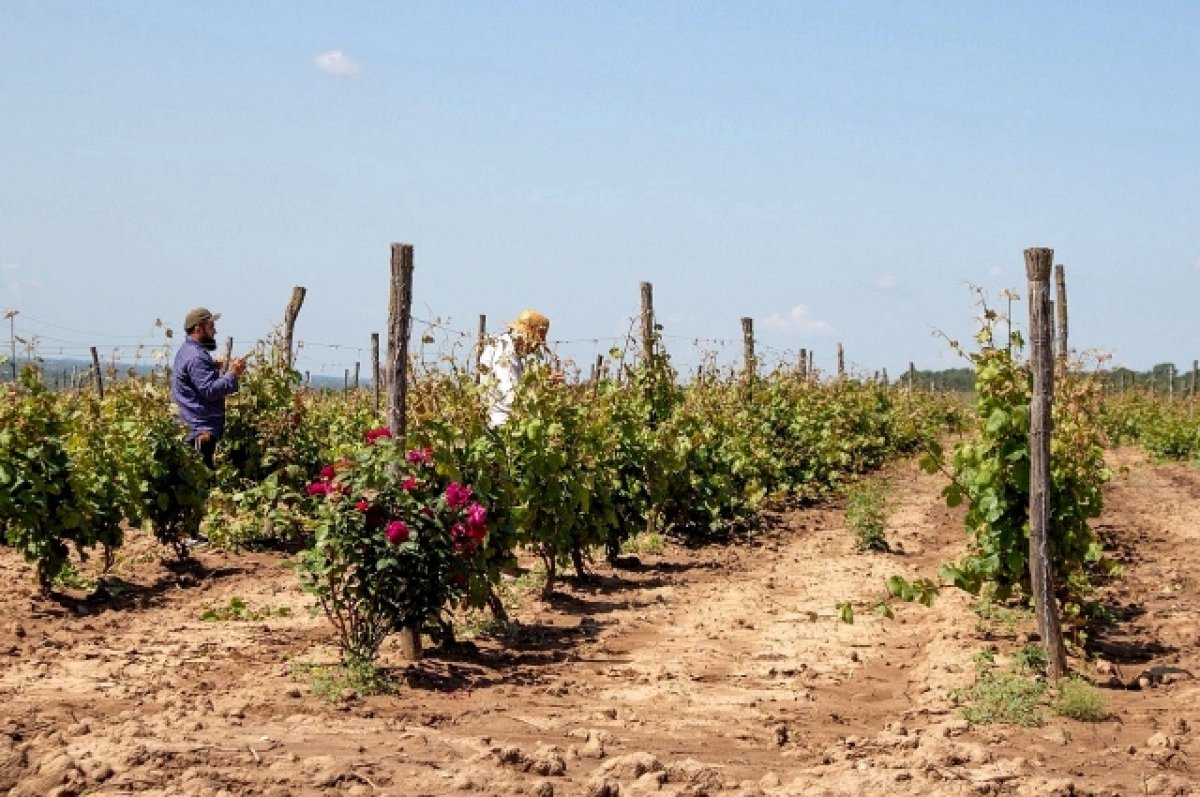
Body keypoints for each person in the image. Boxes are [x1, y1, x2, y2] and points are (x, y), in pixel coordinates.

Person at [171, 307, 246, 469]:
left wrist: (212, 365)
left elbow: (194, 378)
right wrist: (233, 373)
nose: (215, 331)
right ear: (198, 329)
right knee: (203, 477)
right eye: (211, 326)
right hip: (200, 430)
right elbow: (210, 390)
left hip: (193, 426)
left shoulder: (187, 351)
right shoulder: (197, 356)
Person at [478, 309, 554, 427]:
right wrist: (543, 388)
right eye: (536, 344)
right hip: (501, 426)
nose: (534, 350)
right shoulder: (504, 355)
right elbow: (510, 396)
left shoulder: (508, 349)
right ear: (527, 337)